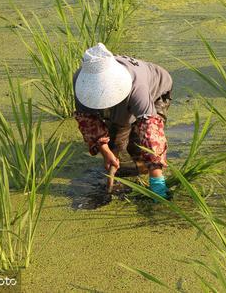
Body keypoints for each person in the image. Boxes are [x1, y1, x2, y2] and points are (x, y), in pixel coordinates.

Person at [73, 43, 173, 199]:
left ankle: (145, 171)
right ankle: (122, 165)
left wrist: (156, 179)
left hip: (155, 93)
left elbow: (150, 131)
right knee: (115, 144)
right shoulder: (81, 82)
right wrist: (106, 152)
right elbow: (89, 121)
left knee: (139, 147)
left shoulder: (136, 86)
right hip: (124, 101)